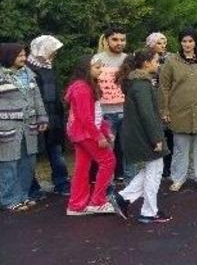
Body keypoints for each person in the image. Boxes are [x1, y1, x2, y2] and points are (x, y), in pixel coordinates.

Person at [110, 50, 171, 223]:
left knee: (152, 169)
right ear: (146, 63)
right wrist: (156, 138)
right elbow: (147, 115)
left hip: (139, 134)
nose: (158, 64)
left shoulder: (137, 83)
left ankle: (124, 197)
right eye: (156, 61)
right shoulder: (141, 86)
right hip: (144, 135)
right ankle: (148, 211)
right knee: (155, 171)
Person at [159, 28, 197, 192]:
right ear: (180, 42)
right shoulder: (172, 61)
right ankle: (178, 178)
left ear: (195, 42)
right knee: (180, 148)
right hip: (179, 111)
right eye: (184, 41)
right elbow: (163, 87)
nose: (187, 44)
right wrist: (164, 109)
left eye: (190, 41)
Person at [64, 54, 116, 216]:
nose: (101, 70)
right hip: (86, 134)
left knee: (82, 167)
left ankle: (76, 205)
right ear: (86, 69)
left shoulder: (86, 86)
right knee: (108, 161)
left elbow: (96, 115)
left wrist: (105, 130)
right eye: (97, 67)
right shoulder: (81, 88)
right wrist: (99, 137)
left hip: (83, 133)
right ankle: (97, 201)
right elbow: (85, 118)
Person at [0, 43, 48, 212]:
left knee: (28, 162)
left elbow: (37, 98)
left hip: (29, 126)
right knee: (8, 164)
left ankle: (22, 196)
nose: (24, 58)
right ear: (8, 56)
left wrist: (42, 117)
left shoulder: (29, 74)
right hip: (6, 127)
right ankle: (8, 200)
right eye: (19, 55)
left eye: (24, 55)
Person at [27, 35, 71, 197]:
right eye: (52, 50)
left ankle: (61, 182)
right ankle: (32, 187)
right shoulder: (27, 69)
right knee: (33, 153)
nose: (54, 54)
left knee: (56, 150)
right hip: (36, 115)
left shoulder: (49, 66)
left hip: (53, 115)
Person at [94, 25, 130, 182]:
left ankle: (125, 178)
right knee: (106, 148)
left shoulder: (128, 59)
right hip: (105, 112)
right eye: (115, 39)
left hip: (126, 110)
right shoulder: (97, 59)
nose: (119, 43)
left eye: (122, 39)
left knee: (125, 147)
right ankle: (105, 182)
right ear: (106, 40)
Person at [146, 32, 174, 178]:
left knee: (169, 135)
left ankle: (167, 167)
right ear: (151, 44)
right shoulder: (145, 58)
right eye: (159, 43)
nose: (162, 45)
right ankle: (154, 165)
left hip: (168, 100)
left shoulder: (171, 58)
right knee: (154, 135)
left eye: (164, 42)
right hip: (151, 99)